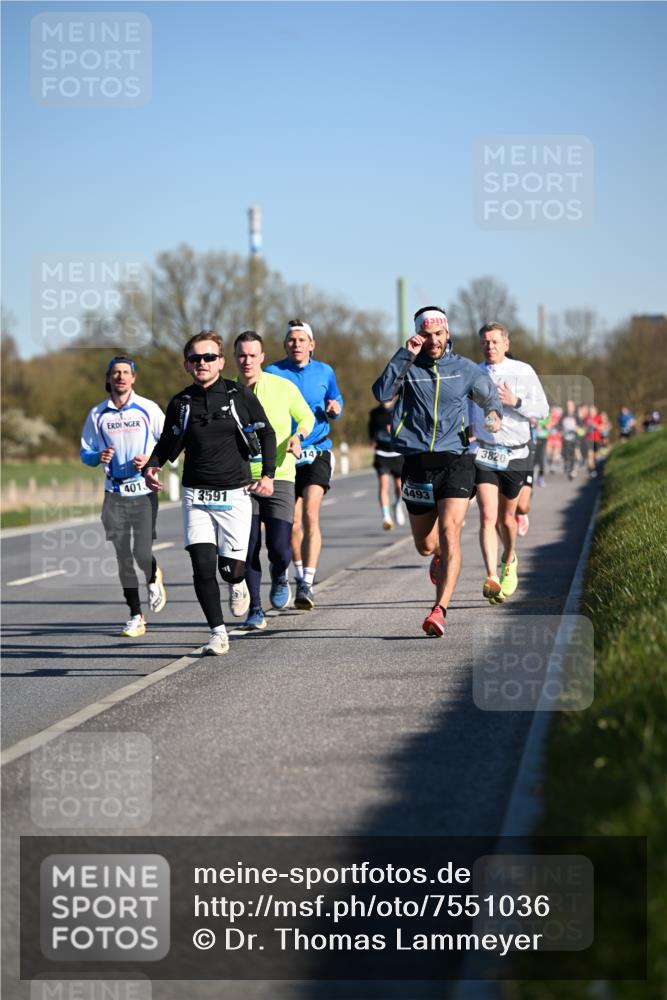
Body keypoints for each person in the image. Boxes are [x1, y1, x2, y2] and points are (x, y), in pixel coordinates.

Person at [144, 331, 276, 656]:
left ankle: (238, 582)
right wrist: (153, 464)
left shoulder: (238, 395)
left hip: (234, 493)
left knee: (230, 569)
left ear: (220, 361)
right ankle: (218, 634)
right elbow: (167, 440)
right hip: (195, 494)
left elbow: (267, 432)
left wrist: (269, 475)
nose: (202, 363)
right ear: (186, 364)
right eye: (195, 358)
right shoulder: (181, 402)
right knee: (202, 565)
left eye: (209, 357)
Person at [373, 306, 502, 637]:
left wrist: (493, 415)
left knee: (450, 530)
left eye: (439, 334)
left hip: (456, 459)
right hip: (417, 461)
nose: (434, 341)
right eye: (427, 335)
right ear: (418, 335)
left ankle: (439, 609)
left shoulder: (464, 369)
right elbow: (382, 393)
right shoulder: (409, 365)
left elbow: (490, 398)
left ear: (448, 334)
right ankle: (439, 558)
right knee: (426, 545)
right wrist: (404, 355)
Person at [80, 355, 167, 637]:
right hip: (113, 491)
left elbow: (170, 443)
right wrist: (97, 456)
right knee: (122, 556)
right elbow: (85, 452)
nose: (120, 377)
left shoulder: (148, 408)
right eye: (115, 373)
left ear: (133, 378)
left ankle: (153, 573)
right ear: (108, 378)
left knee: (141, 553)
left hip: (142, 489)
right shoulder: (97, 414)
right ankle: (136, 615)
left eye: (125, 372)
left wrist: (152, 459)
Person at [233, 331, 314, 630]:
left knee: (279, 546)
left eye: (253, 355)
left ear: (262, 357)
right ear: (234, 358)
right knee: (248, 544)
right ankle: (256, 608)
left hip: (280, 473)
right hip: (241, 479)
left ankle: (280, 574)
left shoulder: (283, 387)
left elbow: (307, 417)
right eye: (242, 355)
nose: (247, 361)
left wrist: (298, 435)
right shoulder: (226, 392)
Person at [265, 320, 344, 610]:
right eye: (291, 340)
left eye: (302, 340)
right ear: (285, 345)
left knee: (311, 513)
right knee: (293, 522)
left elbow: (336, 398)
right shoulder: (272, 372)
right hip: (285, 453)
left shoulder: (325, 371)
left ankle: (308, 582)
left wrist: (335, 409)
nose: (296, 344)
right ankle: (298, 576)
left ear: (312, 344)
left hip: (317, 450)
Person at [469, 323, 549, 605]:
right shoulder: (474, 373)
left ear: (505, 343)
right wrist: (470, 432)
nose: (489, 346)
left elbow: (542, 410)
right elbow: (468, 409)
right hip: (484, 452)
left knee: (507, 519)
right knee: (487, 517)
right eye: (485, 342)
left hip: (516, 453)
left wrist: (516, 401)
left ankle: (509, 558)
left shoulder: (523, 371)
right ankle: (492, 576)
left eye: (494, 341)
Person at [368, 400, 405, 530]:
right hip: (381, 454)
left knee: (399, 487)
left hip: (397, 454)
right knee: (383, 484)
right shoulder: (374, 413)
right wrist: (372, 440)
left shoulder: (399, 410)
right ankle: (386, 517)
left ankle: (397, 505)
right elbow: (371, 430)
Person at [560, 400, 581, 480]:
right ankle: (569, 467)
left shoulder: (576, 416)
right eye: (568, 406)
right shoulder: (563, 416)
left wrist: (578, 428)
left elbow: (582, 428)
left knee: (574, 454)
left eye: (571, 406)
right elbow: (559, 425)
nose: (569, 408)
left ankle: (573, 470)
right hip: (565, 439)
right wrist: (560, 430)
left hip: (575, 439)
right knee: (567, 456)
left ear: (574, 407)